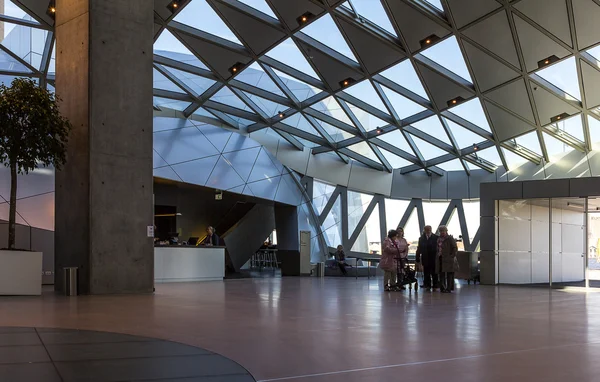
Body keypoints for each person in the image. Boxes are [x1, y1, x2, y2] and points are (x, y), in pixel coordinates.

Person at [416, 225, 439, 291]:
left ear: (431, 230)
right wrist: (417, 256)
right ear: (424, 230)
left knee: (434, 272)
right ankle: (427, 285)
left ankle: (435, 285)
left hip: (434, 257)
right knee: (426, 272)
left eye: (429, 229)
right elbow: (419, 248)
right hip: (425, 257)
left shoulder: (436, 237)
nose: (428, 231)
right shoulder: (421, 238)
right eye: (427, 230)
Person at [436, 225, 458, 293]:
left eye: (443, 231)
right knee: (441, 273)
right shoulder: (438, 239)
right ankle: (442, 287)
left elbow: (455, 248)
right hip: (440, 258)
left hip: (448, 259)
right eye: (441, 231)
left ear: (446, 231)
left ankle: (448, 288)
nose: (442, 232)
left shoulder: (450, 238)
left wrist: (451, 256)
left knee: (449, 274)